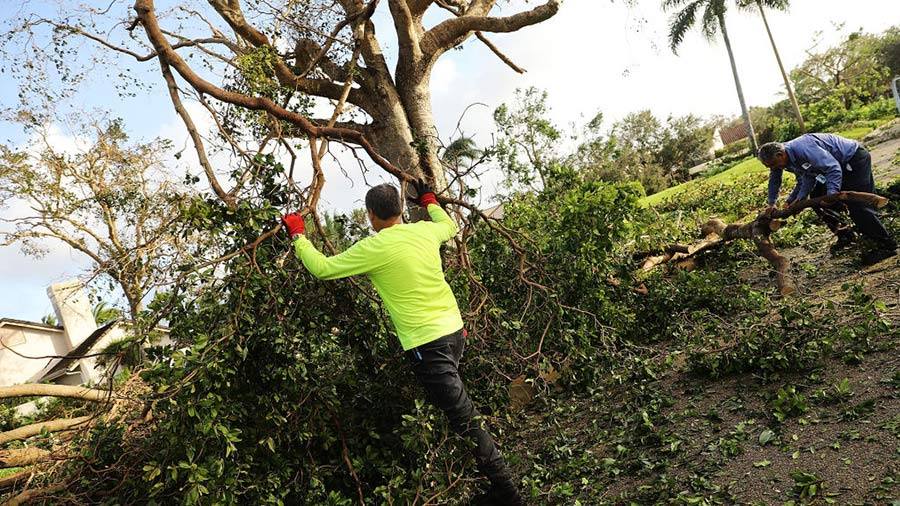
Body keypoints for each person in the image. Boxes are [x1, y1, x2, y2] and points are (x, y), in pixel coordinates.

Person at [281, 180, 525, 505]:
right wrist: (429, 200)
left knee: (464, 418)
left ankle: (507, 493)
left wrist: (298, 234)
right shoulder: (424, 231)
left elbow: (323, 268)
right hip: (455, 332)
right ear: (399, 209)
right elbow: (449, 225)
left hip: (429, 345)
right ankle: (486, 477)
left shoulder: (374, 248)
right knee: (457, 411)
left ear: (371, 215)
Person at [758, 133, 897, 264]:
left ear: (780, 154)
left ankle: (885, 245)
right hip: (837, 165)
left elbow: (833, 168)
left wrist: (832, 195)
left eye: (774, 165)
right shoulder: (784, 158)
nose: (775, 168)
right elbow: (807, 176)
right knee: (816, 196)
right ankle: (845, 233)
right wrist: (793, 200)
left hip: (853, 159)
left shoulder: (803, 149)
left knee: (858, 203)